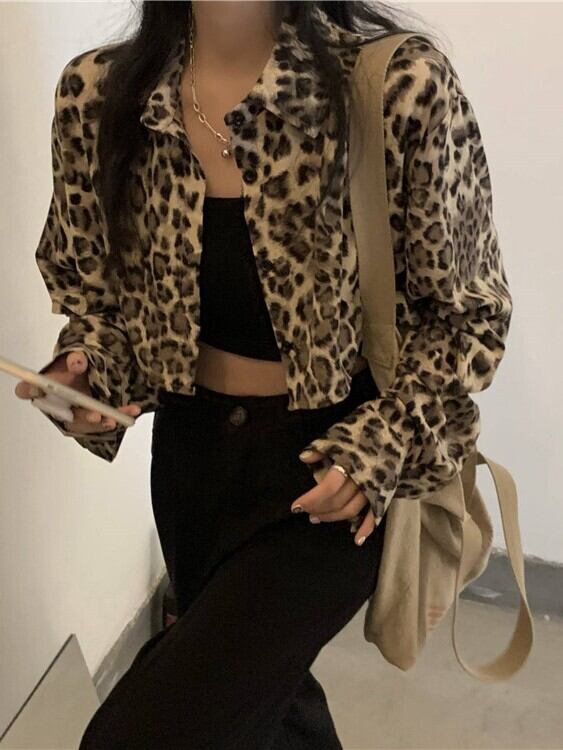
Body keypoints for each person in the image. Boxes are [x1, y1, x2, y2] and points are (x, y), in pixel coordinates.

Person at [15, 1, 513, 747]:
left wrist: (377, 447)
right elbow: (100, 302)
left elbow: (469, 318)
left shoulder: (394, 86)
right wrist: (87, 375)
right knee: (264, 713)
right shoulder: (99, 95)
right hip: (191, 463)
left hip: (333, 473)